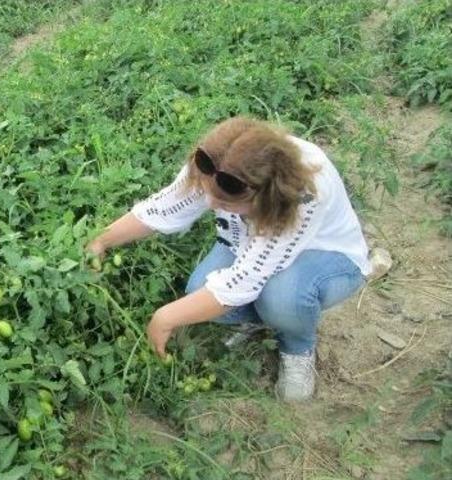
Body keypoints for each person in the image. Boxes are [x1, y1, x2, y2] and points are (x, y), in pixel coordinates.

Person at [87, 117, 374, 402]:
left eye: (224, 204)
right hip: (250, 246)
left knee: (281, 298)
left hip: (329, 257)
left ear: (263, 198)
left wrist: (164, 318)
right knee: (199, 293)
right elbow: (165, 207)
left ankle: (297, 346)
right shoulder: (216, 160)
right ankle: (267, 321)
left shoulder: (302, 194)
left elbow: (244, 280)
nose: (211, 204)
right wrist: (101, 239)